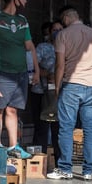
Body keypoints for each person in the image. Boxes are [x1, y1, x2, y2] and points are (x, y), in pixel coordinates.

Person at [47, 6, 92, 181]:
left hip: (71, 85)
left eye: (62, 20)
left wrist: (58, 87)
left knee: (66, 127)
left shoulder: (63, 35)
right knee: (90, 129)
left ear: (67, 17)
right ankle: (89, 171)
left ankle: (65, 168)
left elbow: (60, 65)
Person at [0, 0, 40, 159]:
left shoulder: (22, 21)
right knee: (0, 110)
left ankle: (13, 146)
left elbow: (29, 46)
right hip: (2, 72)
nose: (25, 0)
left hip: (21, 73)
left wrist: (36, 71)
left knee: (13, 110)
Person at [29, 21, 62, 168]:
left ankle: (59, 163)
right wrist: (47, 74)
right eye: (55, 30)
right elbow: (31, 65)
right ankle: (38, 162)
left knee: (58, 128)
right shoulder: (43, 48)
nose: (57, 32)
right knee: (41, 127)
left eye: (61, 29)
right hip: (41, 92)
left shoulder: (67, 48)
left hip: (59, 94)